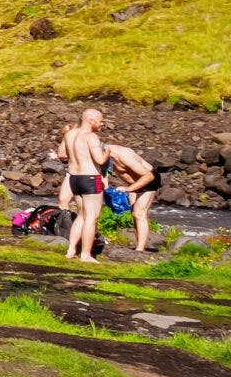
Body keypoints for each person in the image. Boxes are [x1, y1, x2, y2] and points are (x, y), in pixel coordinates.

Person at [56, 108, 112, 262]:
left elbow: (62, 154)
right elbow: (100, 160)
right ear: (90, 120)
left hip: (74, 178)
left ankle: (71, 250)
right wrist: (108, 152)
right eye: (100, 120)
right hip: (90, 178)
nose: (102, 123)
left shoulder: (70, 134)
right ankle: (85, 255)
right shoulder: (91, 136)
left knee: (81, 215)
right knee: (91, 218)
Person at [104, 138, 161, 253]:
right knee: (134, 214)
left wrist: (129, 189)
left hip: (149, 181)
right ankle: (139, 246)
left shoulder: (123, 155)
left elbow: (149, 176)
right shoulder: (103, 155)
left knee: (140, 213)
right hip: (134, 184)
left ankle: (140, 249)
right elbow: (104, 174)